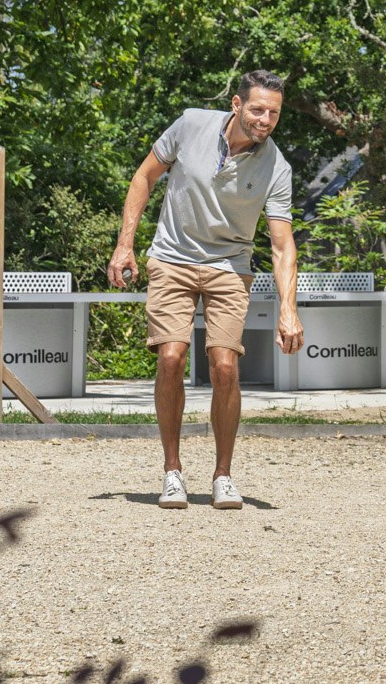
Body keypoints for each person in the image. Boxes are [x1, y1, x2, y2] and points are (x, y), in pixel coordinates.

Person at [108, 70, 304, 510]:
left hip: (229, 267)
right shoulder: (191, 124)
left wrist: (288, 309)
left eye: (273, 112)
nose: (265, 119)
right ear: (237, 104)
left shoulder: (277, 166)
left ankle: (222, 475)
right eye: (257, 109)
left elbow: (281, 242)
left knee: (225, 368)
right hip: (172, 258)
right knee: (172, 357)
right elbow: (144, 178)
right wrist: (125, 246)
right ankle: (172, 471)